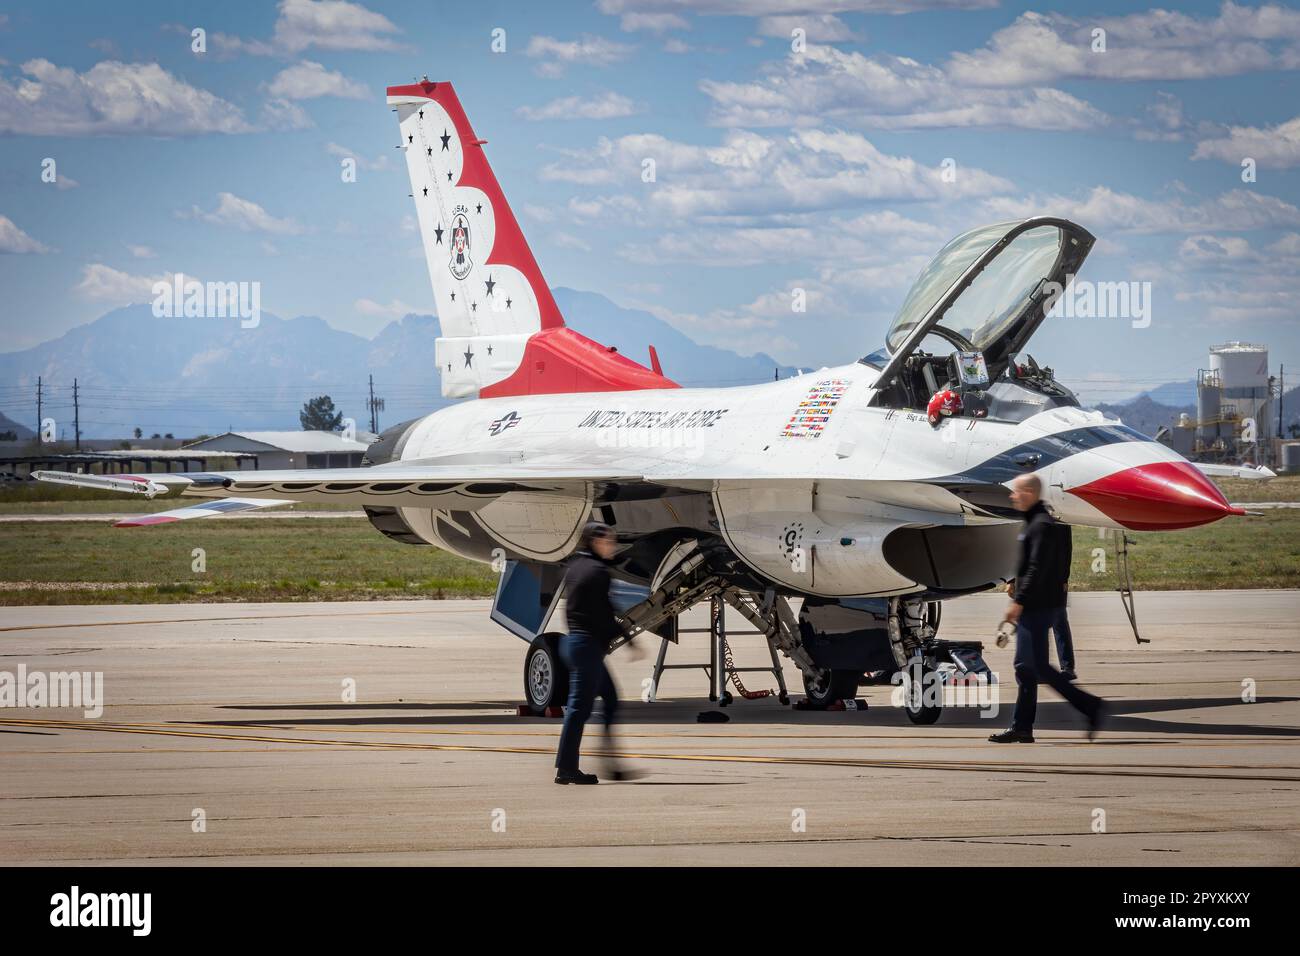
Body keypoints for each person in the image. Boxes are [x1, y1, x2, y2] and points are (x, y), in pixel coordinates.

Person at [989, 474, 1105, 744]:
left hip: (1037, 606)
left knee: (1034, 666)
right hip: (1038, 604)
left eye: (1016, 492)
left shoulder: (1041, 525)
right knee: (1026, 667)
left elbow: (1036, 568)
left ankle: (1089, 706)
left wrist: (1019, 601)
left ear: (1029, 492)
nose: (1012, 496)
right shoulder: (1035, 521)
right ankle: (1022, 727)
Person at [554, 521, 633, 784]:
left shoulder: (575, 566)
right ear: (595, 541)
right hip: (586, 648)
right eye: (609, 541)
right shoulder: (598, 571)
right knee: (579, 710)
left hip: (574, 645)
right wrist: (626, 640)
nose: (613, 546)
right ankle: (567, 769)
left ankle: (609, 761)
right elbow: (606, 613)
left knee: (609, 699)